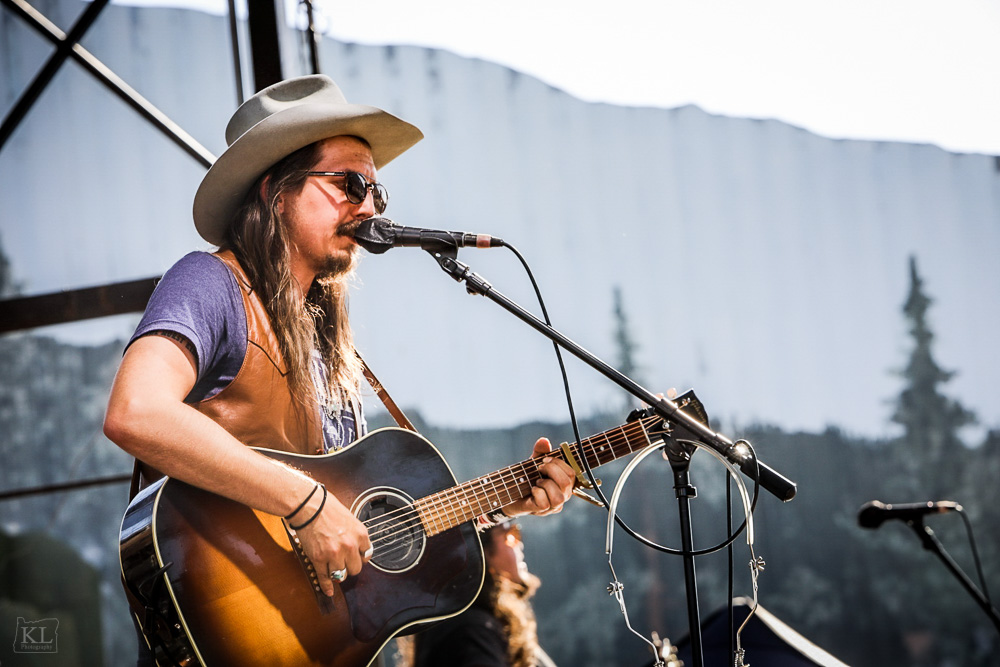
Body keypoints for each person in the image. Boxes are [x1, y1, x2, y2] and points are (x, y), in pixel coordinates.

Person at [103, 74, 575, 664]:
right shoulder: (210, 283)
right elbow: (136, 413)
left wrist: (501, 503)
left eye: (379, 192)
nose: (370, 207)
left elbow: (360, 533)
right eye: (350, 184)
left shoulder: (326, 339)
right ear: (277, 191)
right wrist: (306, 503)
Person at [409, 520, 557, 667]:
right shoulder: (473, 632)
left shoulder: (456, 621)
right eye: (509, 536)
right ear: (481, 554)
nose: (519, 544)